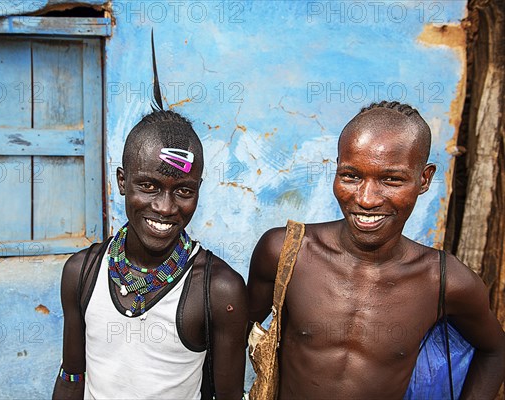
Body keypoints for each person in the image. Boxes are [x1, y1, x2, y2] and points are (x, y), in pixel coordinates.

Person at [247, 101, 505, 399]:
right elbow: (233, 333)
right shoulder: (286, 253)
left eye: (391, 179)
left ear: (424, 179)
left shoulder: (444, 281)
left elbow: (495, 350)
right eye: (351, 176)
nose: (367, 199)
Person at [52, 37, 247, 400]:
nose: (165, 207)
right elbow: (72, 379)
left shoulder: (219, 290)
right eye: (149, 185)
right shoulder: (82, 272)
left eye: (183, 190)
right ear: (122, 181)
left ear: (198, 189)